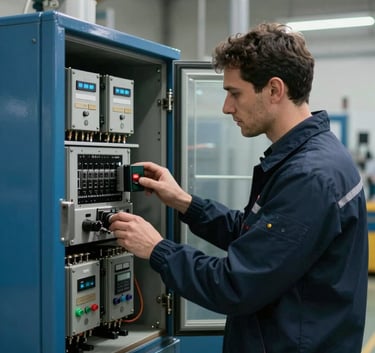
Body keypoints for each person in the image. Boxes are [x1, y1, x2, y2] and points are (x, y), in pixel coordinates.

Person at [109, 23, 368, 353]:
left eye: (235, 93)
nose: (226, 107)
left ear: (274, 90)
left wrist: (158, 249)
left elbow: (235, 283)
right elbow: (258, 239)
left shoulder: (309, 176)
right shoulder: (311, 159)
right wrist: (186, 203)